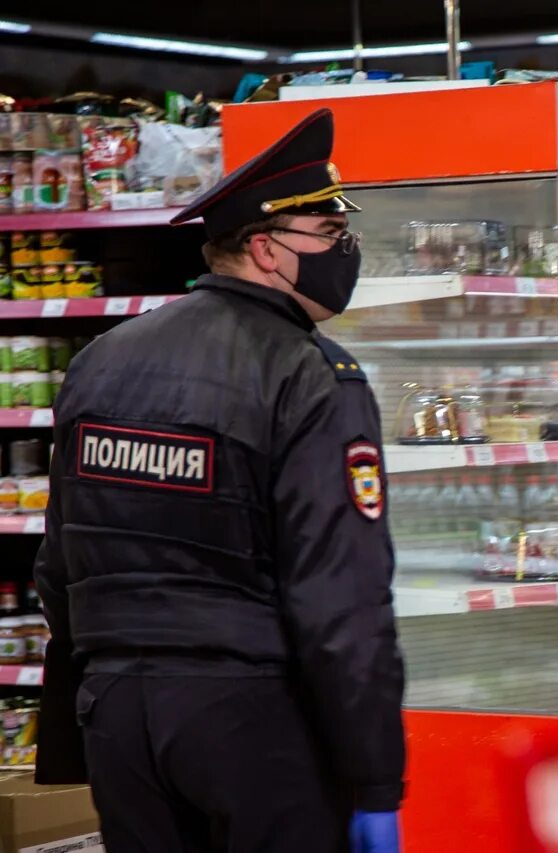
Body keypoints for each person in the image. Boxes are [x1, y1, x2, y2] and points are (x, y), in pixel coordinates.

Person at [34, 108, 405, 853]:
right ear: (266, 249)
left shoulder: (103, 358)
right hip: (253, 723)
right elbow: (340, 599)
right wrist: (375, 780)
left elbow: (59, 562)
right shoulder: (309, 374)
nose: (347, 251)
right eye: (330, 235)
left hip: (119, 717)